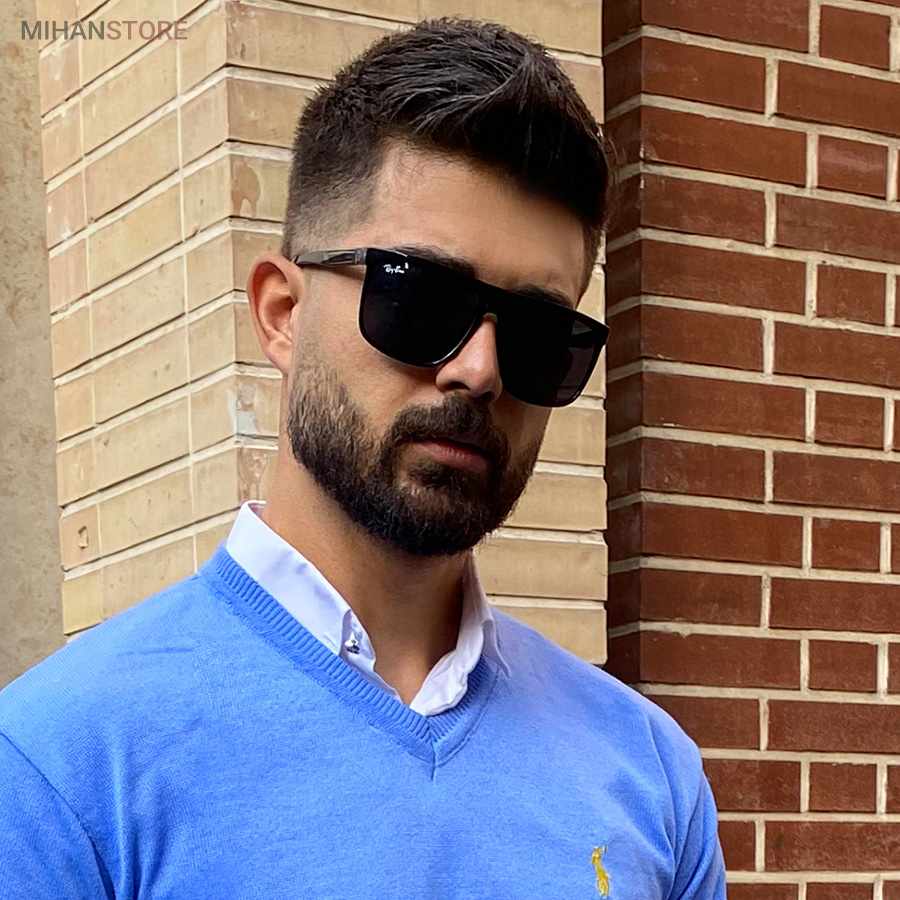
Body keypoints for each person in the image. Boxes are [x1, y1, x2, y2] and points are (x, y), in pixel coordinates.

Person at [0, 17, 726, 899]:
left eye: (539, 334)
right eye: (419, 299)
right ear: (282, 313)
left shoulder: (650, 773)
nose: (479, 369)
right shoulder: (57, 772)